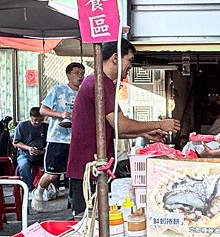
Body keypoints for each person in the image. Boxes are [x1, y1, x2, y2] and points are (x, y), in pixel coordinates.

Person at [67, 41, 181, 216]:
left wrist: (144, 132)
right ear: (115, 58)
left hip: (94, 165)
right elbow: (121, 124)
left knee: (100, 221)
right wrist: (159, 123)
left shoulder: (102, 82)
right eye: (129, 60)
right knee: (89, 224)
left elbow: (115, 128)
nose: (130, 66)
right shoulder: (99, 82)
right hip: (89, 166)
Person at [35, 62, 86, 211]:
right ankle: (38, 193)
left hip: (77, 139)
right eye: (77, 73)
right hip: (57, 138)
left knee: (78, 174)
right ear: (68, 74)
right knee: (52, 175)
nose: (80, 76)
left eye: (82, 73)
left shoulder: (84, 93)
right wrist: (61, 115)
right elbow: (43, 110)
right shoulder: (58, 90)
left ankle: (77, 206)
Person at [13, 106, 46, 195]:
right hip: (25, 154)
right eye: (35, 120)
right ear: (30, 117)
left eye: (40, 120)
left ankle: (51, 188)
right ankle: (30, 190)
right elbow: (16, 143)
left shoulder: (45, 127)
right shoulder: (22, 126)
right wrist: (29, 148)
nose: (38, 122)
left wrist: (44, 150)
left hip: (42, 154)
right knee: (24, 166)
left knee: (53, 165)